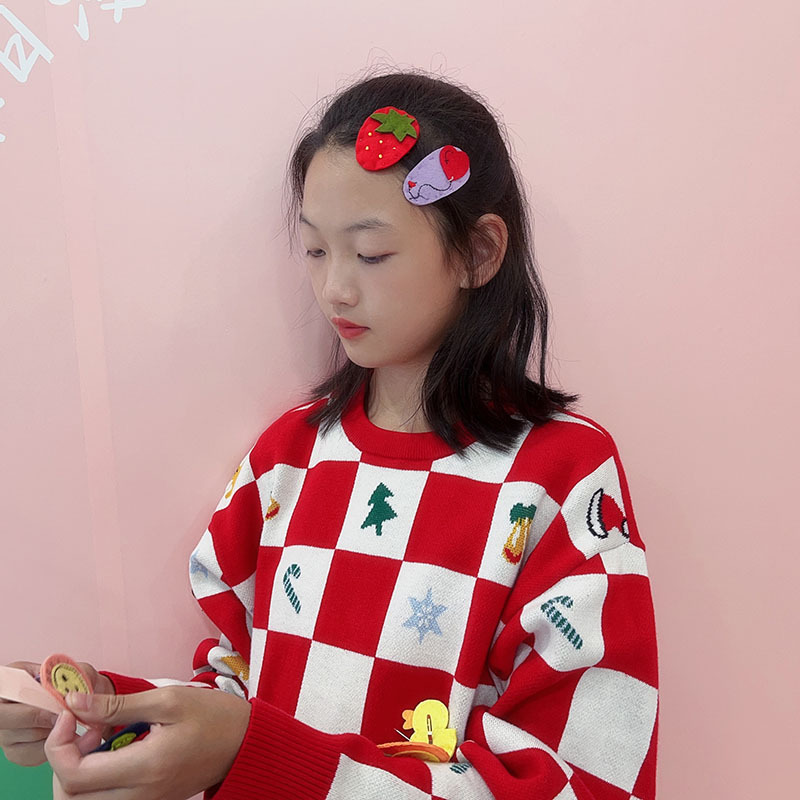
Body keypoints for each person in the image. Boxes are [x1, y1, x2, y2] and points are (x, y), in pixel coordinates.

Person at [0, 69, 659, 799]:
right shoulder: (285, 458)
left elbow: (588, 780)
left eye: (370, 254)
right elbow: (239, 693)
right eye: (315, 251)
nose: (335, 289)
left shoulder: (562, 475)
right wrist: (102, 709)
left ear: (478, 253)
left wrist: (255, 754)